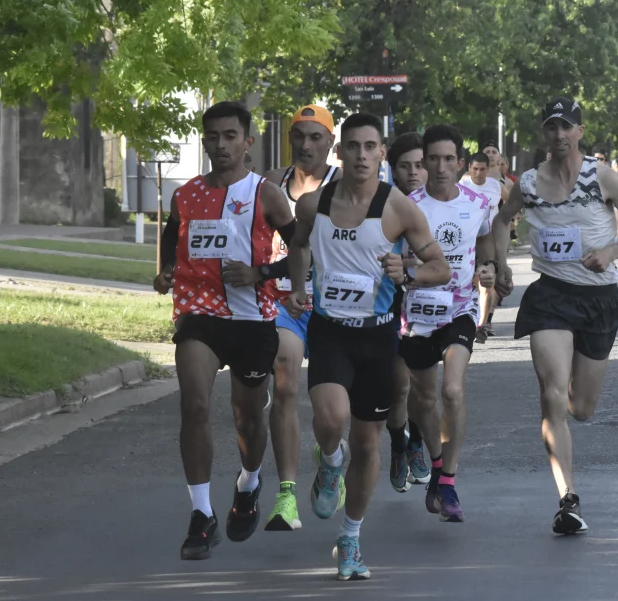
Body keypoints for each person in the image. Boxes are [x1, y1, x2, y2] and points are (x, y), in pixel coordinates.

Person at [285, 113, 451, 581]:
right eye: (353, 147)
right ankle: (330, 463)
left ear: (382, 154)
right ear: (340, 152)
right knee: (331, 418)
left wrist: (410, 273)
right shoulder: (313, 204)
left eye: (370, 147)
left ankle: (351, 537)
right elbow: (298, 246)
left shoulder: (398, 209)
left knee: (367, 442)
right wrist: (299, 285)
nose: (361, 155)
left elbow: (440, 268)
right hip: (329, 330)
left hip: (378, 337)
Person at [492, 96, 618, 534]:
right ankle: (568, 500)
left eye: (567, 127)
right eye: (552, 127)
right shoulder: (527, 183)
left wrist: (610, 251)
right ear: (544, 134)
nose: (560, 135)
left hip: (598, 299)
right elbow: (500, 223)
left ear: (580, 132)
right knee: (550, 396)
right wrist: (501, 263)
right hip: (550, 296)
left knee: (580, 408)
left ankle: (564, 390)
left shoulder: (602, 177)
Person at [153, 101, 295, 560]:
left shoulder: (267, 194)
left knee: (246, 418)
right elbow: (172, 236)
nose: (220, 145)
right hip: (199, 312)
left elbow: (303, 253)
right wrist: (166, 270)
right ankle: (200, 514)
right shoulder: (186, 194)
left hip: (253, 318)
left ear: (247, 141)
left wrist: (260, 274)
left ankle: (249, 483)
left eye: (230, 136)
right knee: (194, 402)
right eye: (212, 136)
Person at [400, 124, 496, 522]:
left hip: (460, 308)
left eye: (447, 159)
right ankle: (436, 464)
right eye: (432, 160)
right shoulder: (407, 205)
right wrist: (407, 268)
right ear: (424, 162)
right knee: (423, 400)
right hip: (418, 312)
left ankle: (450, 482)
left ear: (460, 162)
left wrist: (489, 268)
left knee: (452, 390)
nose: (440, 167)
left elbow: (487, 240)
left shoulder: (477, 202)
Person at [257, 104, 341, 531]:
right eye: (299, 136)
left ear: (330, 143)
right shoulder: (271, 183)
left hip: (333, 306)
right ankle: (286, 495)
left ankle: (330, 460)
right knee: (285, 380)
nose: (306, 145)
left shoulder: (344, 185)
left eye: (315, 137)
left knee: (333, 416)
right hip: (283, 302)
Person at [385, 132, 432, 492]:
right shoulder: (385, 205)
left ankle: (416, 442)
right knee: (398, 387)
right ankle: (399, 444)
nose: (414, 172)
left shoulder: (439, 204)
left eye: (420, 165)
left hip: (431, 303)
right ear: (393, 170)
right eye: (405, 166)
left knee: (422, 388)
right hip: (391, 301)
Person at [460, 152, 503, 342]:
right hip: (465, 241)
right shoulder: (461, 186)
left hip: (488, 238)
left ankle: (481, 325)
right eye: (475, 169)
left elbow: (510, 204)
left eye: (482, 169)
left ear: (488, 169)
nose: (478, 173)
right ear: (469, 168)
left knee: (486, 282)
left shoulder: (495, 186)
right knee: (470, 283)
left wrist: (507, 221)